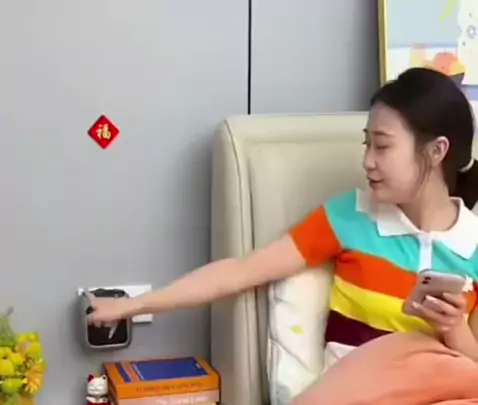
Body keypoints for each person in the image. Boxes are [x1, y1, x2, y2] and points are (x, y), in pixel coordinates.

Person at [88, 67, 478, 362]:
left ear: (436, 151)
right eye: (367, 145)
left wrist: (454, 329)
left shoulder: (473, 247)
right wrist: (132, 306)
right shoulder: (350, 217)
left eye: (382, 146)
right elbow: (240, 272)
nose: (368, 161)